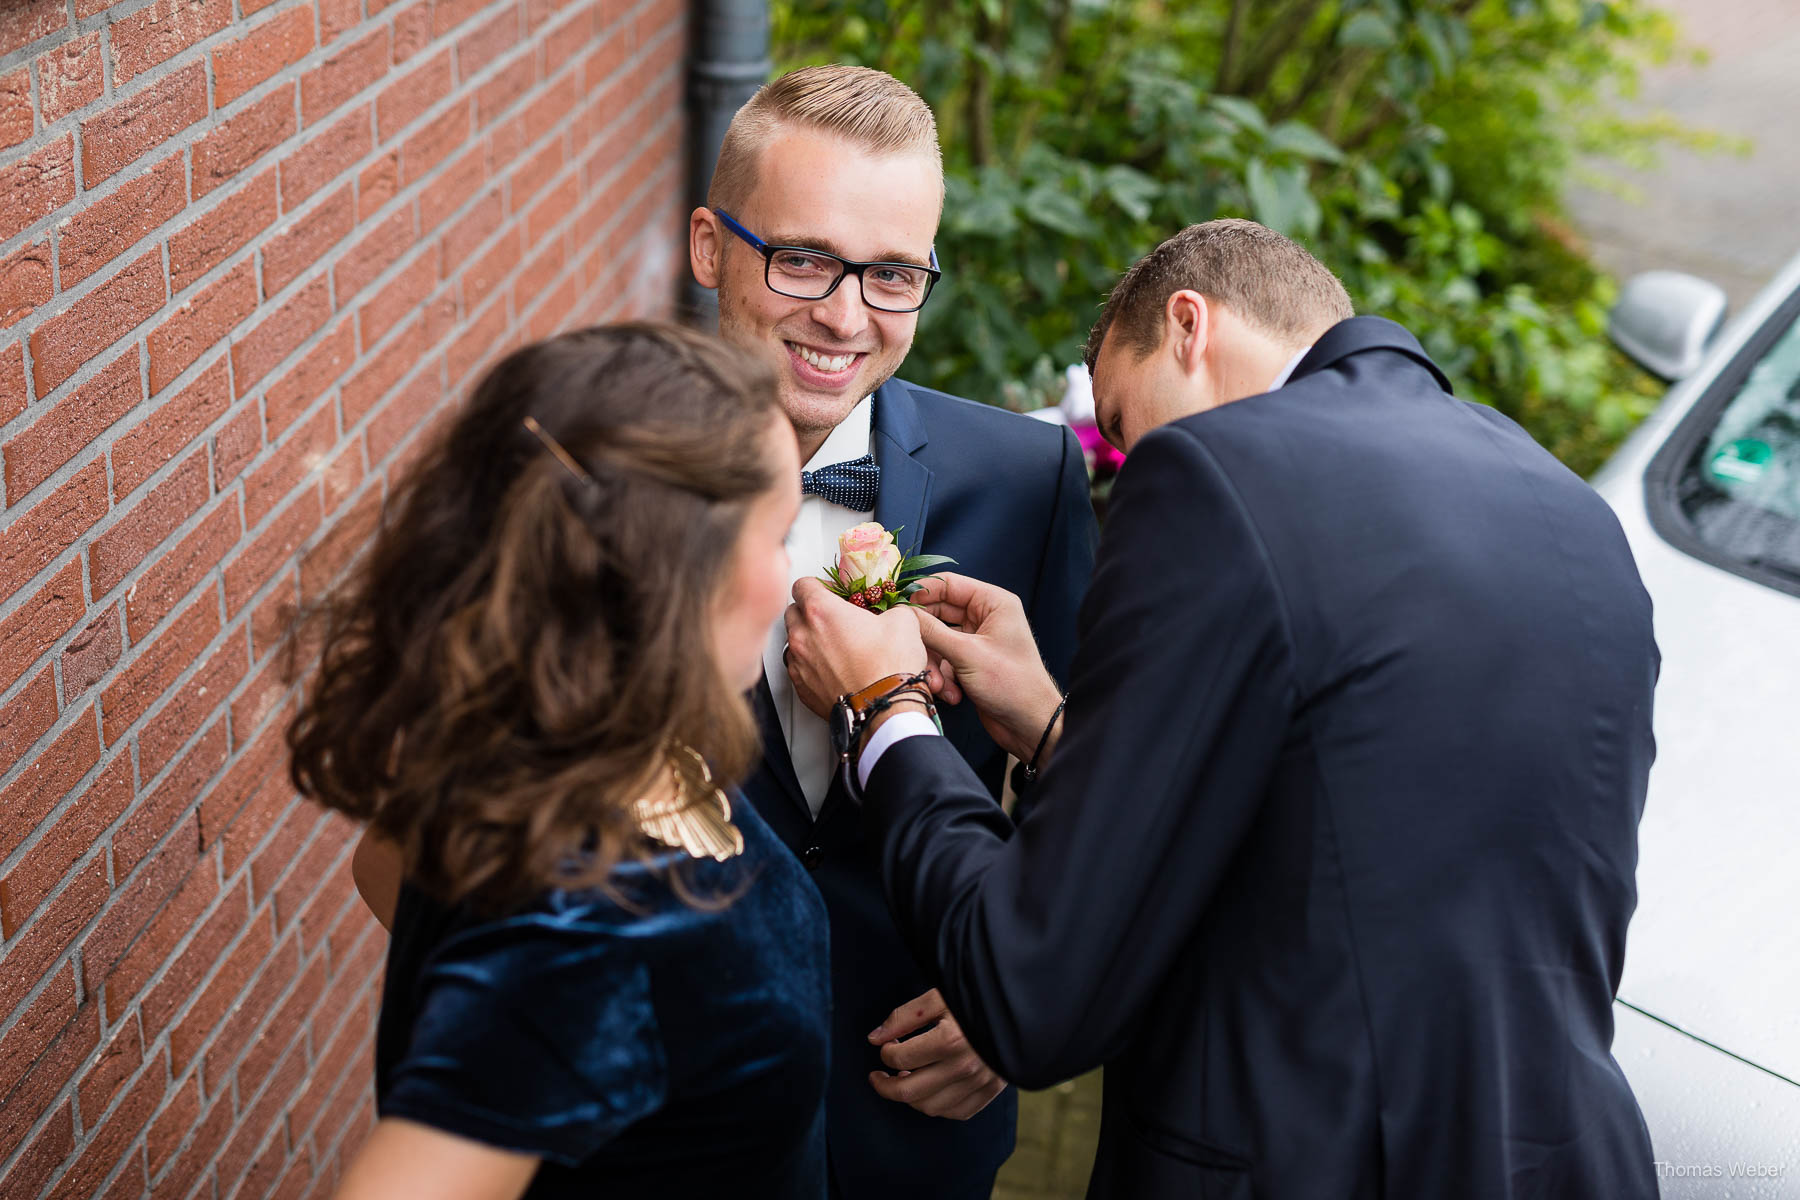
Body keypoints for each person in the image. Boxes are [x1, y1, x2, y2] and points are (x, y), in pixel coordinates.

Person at [783, 220, 1662, 1198]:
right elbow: (1334, 841)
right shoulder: (1576, 517)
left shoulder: (1213, 473)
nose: (1124, 460)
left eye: (1118, 423)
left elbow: (1033, 992)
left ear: (1188, 327)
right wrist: (1050, 723)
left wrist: (886, 711)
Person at [287, 324, 827, 1199]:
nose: (791, 571)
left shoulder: (589, 742)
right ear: (675, 575)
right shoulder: (588, 936)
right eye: (778, 535)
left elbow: (385, 869)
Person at [688, 64, 1099, 1199]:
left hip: (914, 1123)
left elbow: (1092, 790)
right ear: (709, 247)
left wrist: (1014, 997)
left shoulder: (1030, 480)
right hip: (670, 1126)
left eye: (892, 273)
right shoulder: (590, 475)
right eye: (803, 257)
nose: (844, 313)